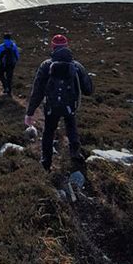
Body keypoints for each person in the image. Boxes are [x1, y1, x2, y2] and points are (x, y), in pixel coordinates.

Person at [25, 34, 93, 171]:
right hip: (70, 105)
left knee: (48, 131)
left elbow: (37, 90)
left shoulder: (46, 65)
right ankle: (75, 154)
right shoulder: (76, 66)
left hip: (51, 106)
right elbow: (88, 90)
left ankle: (46, 162)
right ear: (67, 46)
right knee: (71, 127)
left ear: (53, 47)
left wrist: (30, 112)